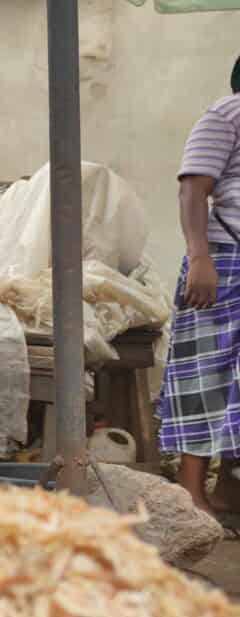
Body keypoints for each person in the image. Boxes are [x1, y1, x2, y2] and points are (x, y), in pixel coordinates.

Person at [158, 56, 240, 515]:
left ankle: (230, 490)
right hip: (224, 259)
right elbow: (193, 189)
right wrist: (199, 257)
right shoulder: (227, 114)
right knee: (203, 375)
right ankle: (191, 492)